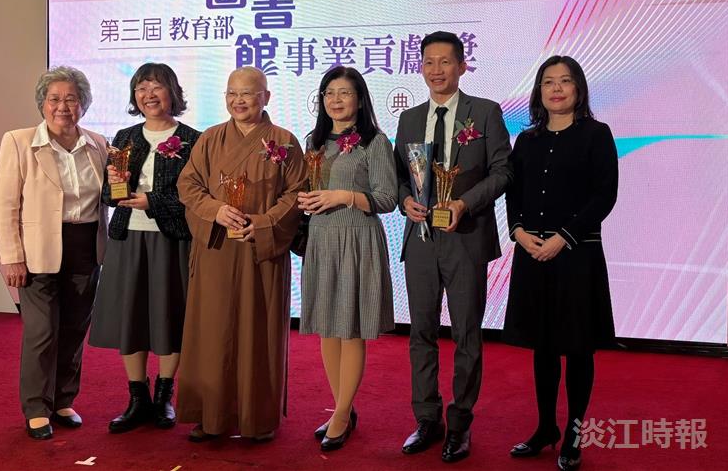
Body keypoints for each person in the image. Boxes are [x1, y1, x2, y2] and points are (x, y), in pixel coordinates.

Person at [394, 31, 512, 462]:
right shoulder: (409, 119)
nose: (436, 70)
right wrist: (406, 199)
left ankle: (460, 422)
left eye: (446, 62)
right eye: (429, 62)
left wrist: (465, 203)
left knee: (466, 333)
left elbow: (502, 172)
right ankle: (427, 418)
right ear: (420, 67)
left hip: (465, 239)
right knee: (420, 332)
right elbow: (400, 175)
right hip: (422, 241)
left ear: (463, 66)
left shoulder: (484, 113)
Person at [176, 66, 307, 442]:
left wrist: (264, 222)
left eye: (247, 93)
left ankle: (257, 418)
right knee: (211, 331)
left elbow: (296, 193)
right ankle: (210, 415)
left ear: (265, 97)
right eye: (231, 93)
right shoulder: (211, 138)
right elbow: (188, 184)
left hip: (259, 251)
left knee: (258, 330)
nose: (239, 100)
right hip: (217, 248)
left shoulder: (283, 141)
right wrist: (214, 210)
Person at [502, 55, 618, 471]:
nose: (556, 89)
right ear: (539, 91)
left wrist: (562, 238)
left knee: (578, 347)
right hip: (532, 252)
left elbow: (604, 196)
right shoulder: (527, 140)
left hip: (576, 255)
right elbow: (513, 193)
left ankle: (574, 433)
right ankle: (545, 427)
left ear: (578, 89)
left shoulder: (596, 135)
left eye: (565, 81)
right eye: (548, 82)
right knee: (544, 346)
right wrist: (518, 231)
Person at [0, 66, 107, 440]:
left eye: (71, 99)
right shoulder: (19, 142)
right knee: (42, 332)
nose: (63, 106)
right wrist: (12, 256)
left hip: (86, 247)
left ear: (84, 105)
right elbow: (5, 204)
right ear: (42, 104)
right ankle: (36, 408)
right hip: (37, 251)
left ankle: (62, 400)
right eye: (54, 99)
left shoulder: (99, 145)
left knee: (74, 330)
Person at [88, 63, 200, 433]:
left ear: (173, 92)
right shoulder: (124, 137)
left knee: (170, 315)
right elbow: (108, 196)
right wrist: (115, 186)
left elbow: (195, 199)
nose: (149, 95)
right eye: (141, 88)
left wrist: (153, 202)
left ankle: (166, 396)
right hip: (127, 237)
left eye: (157, 87)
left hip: (171, 239)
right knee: (131, 316)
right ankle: (138, 399)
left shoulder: (193, 140)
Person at [297, 66, 398, 451]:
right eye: (329, 93)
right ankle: (343, 408)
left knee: (351, 327)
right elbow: (310, 189)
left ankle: (341, 414)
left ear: (359, 98)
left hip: (357, 239)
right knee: (327, 325)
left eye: (344, 93)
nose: (336, 100)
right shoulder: (316, 141)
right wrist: (305, 201)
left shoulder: (375, 142)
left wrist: (343, 196)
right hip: (322, 239)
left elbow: (386, 199)